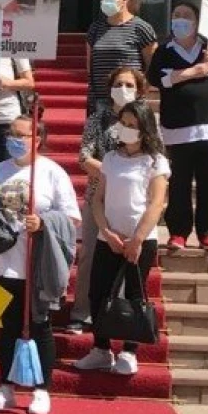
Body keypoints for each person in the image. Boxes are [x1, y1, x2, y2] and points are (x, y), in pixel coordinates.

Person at [0, 115, 80, 414]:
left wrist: (44, 223)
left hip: (35, 265)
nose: (14, 139)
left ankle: (42, 389)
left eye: (22, 134)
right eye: (11, 133)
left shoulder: (52, 173)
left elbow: (72, 219)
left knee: (38, 326)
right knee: (7, 329)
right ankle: (5, 386)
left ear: (37, 139)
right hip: (2, 264)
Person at [73, 100, 169, 376]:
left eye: (132, 126)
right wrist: (106, 231)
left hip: (141, 239)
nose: (126, 130)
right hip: (110, 237)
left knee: (135, 293)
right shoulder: (112, 159)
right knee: (98, 292)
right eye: (123, 124)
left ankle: (129, 350)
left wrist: (137, 239)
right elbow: (98, 200)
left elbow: (155, 203)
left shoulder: (156, 161)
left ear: (144, 128)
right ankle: (101, 349)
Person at [148, 2, 208, 252]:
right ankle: (178, 232)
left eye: (186, 16)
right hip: (178, 128)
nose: (180, 20)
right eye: (176, 16)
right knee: (179, 183)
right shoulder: (165, 50)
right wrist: (193, 72)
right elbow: (157, 78)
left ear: (197, 22)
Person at [67, 66, 149, 334]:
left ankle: (120, 315)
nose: (123, 89)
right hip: (98, 198)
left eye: (129, 85)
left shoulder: (145, 119)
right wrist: (111, 173)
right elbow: (83, 157)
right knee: (91, 255)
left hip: (132, 200)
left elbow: (154, 155)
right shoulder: (97, 119)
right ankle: (81, 313)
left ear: (139, 91)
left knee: (127, 260)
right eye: (119, 84)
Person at [85, 0, 158, 115]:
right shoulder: (95, 29)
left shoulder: (141, 28)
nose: (105, 1)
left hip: (129, 101)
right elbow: (90, 66)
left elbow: (153, 66)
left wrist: (139, 92)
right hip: (100, 101)